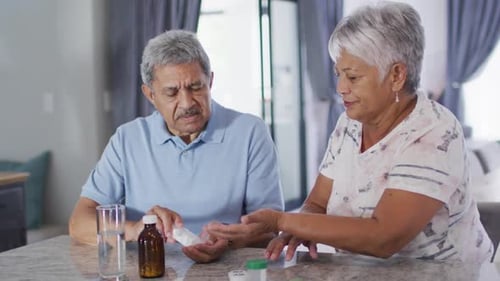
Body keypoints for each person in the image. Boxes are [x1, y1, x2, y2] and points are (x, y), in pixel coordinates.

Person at [206, 2, 494, 263]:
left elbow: (384, 237)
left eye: (353, 77)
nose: (341, 88)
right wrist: (300, 226)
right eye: (339, 74)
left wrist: (281, 221)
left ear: (396, 75)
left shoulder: (434, 131)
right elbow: (317, 203)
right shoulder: (350, 123)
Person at [68, 30, 284, 263]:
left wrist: (228, 242)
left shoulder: (250, 132)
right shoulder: (127, 139)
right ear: (150, 94)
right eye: (172, 92)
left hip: (228, 268)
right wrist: (138, 229)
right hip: (149, 268)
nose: (187, 102)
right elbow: (80, 222)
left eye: (196, 87)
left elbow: (270, 228)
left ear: (210, 81)